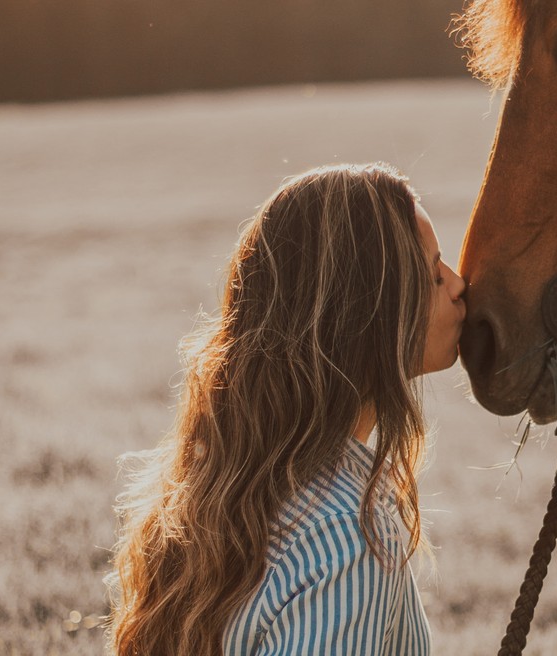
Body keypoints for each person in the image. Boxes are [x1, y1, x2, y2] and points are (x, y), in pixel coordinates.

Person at [106, 163, 466, 655]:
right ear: (367, 311)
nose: (458, 284)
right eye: (433, 273)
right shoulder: (348, 541)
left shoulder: (222, 489)